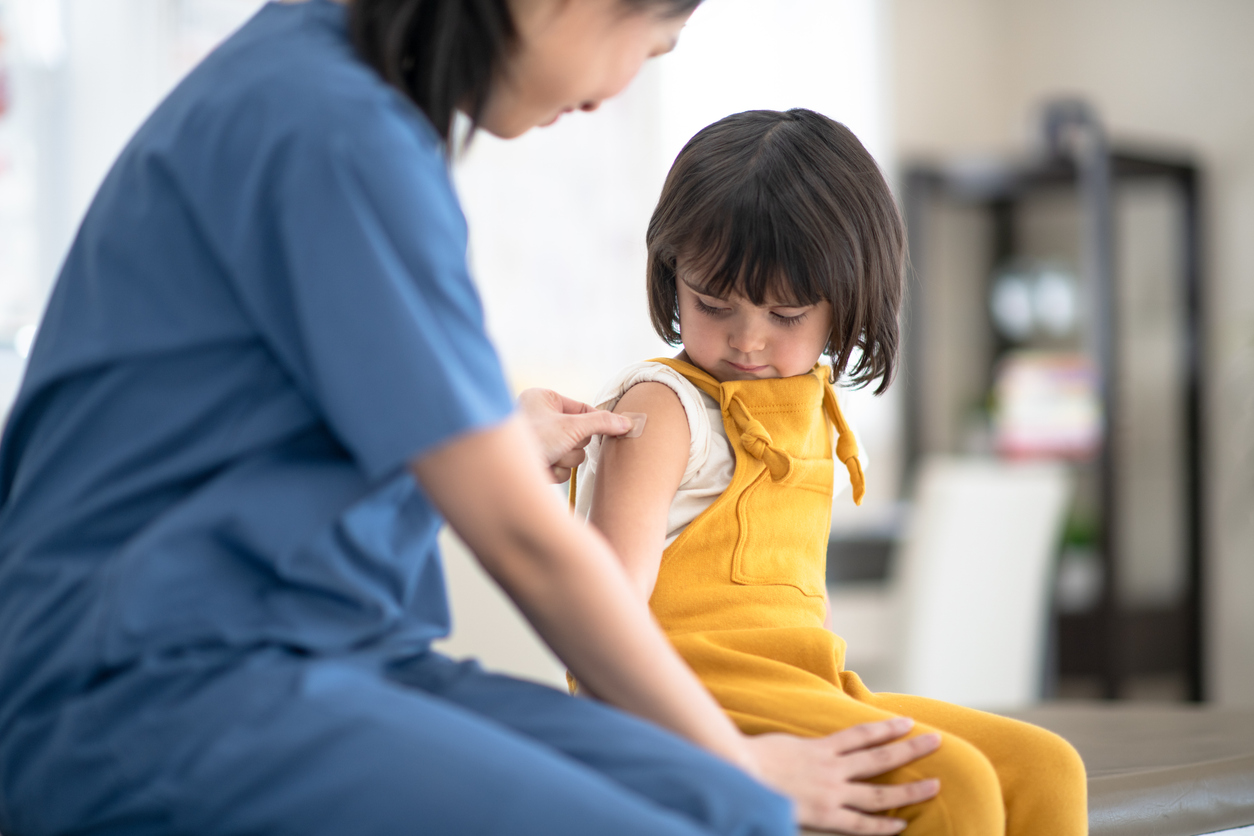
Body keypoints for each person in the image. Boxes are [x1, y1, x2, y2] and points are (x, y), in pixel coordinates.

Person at [0, 2, 946, 835]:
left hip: (332, 654)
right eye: (650, 40)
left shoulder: (342, 94)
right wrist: (737, 757)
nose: (623, 85)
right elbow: (530, 546)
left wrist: (501, 437)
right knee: (728, 805)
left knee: (727, 807)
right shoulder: (333, 129)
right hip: (148, 683)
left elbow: (284, 419)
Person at [571, 109, 1089, 836]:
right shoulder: (663, 407)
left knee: (1048, 766)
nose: (747, 340)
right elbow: (602, 620)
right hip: (692, 698)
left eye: (786, 315)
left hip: (803, 682)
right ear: (671, 278)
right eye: (713, 306)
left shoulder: (811, 406)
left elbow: (798, 595)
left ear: (845, 302)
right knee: (952, 788)